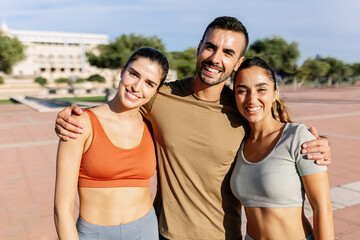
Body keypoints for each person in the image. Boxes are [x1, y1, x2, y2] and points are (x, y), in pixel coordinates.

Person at [54, 17, 332, 239]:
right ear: (199, 47)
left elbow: (274, 134)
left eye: (227, 53)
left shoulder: (241, 108)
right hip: (165, 234)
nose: (215, 58)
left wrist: (315, 144)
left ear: (236, 64)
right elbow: (121, 105)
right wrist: (69, 116)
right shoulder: (160, 97)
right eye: (210, 47)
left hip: (226, 236)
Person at [53, 47, 169, 240]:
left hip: (146, 230)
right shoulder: (80, 124)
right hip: (94, 234)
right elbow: (61, 210)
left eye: (149, 83)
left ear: (156, 91)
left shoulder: (153, 126)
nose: (137, 87)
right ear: (122, 71)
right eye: (133, 74)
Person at [231, 57, 334, 240]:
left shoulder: (298, 137)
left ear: (275, 93)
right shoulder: (238, 142)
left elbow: (322, 208)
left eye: (261, 89)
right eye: (242, 91)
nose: (251, 99)